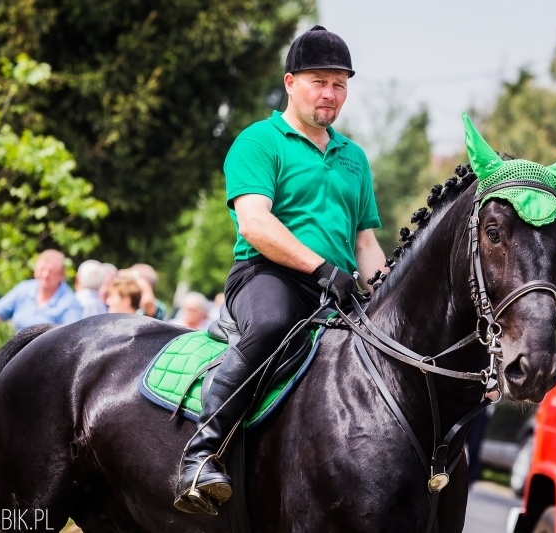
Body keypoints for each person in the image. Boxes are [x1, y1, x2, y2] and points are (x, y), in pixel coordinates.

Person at [174, 25, 387, 514]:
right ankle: (201, 454)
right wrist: (320, 268)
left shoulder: (355, 158)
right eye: (319, 81)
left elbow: (366, 242)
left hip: (337, 290)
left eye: (339, 84)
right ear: (290, 82)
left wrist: (383, 290)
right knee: (270, 324)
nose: (330, 94)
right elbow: (254, 223)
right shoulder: (259, 140)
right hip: (268, 277)